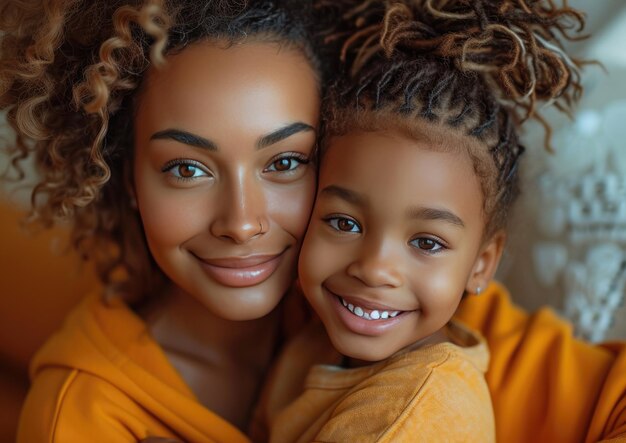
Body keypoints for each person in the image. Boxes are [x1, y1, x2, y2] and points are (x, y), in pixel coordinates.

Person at [251, 0, 599, 441]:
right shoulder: (314, 337)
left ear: (482, 264)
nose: (375, 268)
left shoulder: (419, 413)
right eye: (345, 223)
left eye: (427, 243)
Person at [0, 0, 323, 441]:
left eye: (285, 162)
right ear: (129, 180)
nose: (242, 222)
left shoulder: (376, 308)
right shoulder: (82, 418)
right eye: (187, 169)